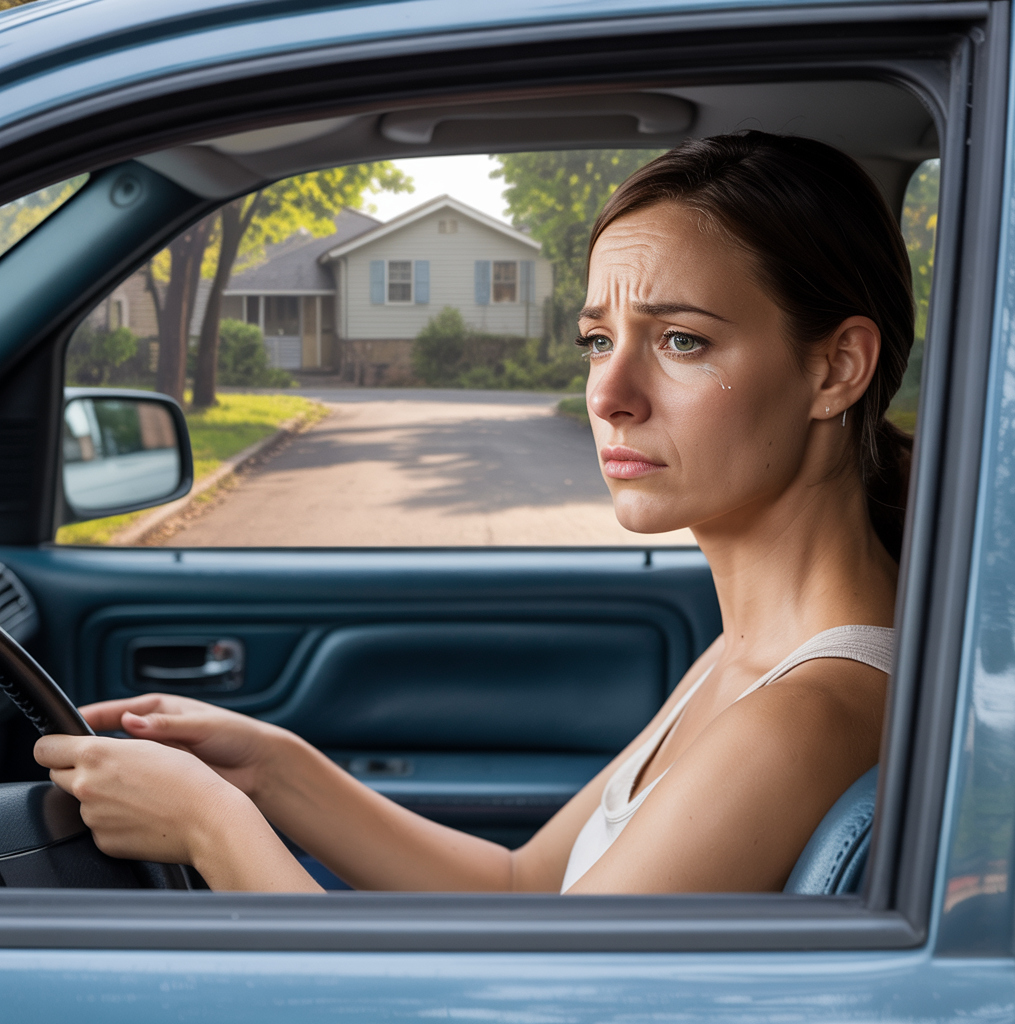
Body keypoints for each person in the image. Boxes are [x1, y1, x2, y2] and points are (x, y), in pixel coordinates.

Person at [35, 131, 914, 893]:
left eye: (682, 340)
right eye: (598, 341)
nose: (608, 392)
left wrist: (210, 827)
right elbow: (526, 883)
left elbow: (523, 1009)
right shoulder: (757, 653)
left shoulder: (803, 711)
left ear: (835, 369)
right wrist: (274, 769)